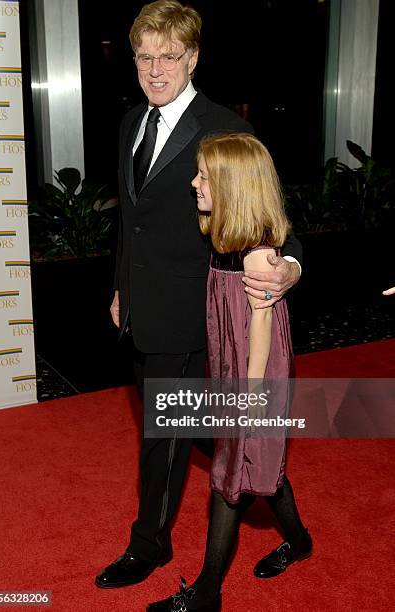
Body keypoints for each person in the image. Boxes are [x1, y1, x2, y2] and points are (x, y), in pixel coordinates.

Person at [95, 0, 303, 590]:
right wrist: (121, 286)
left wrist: (289, 265)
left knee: (166, 438)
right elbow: (130, 221)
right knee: (221, 438)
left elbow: (270, 214)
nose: (155, 68)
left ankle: (148, 546)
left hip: (197, 312)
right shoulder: (132, 121)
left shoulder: (224, 129)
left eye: (169, 56)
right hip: (142, 306)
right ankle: (293, 527)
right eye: (144, 56)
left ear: (193, 58)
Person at [148, 133, 311, 611]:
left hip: (254, 370)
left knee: (230, 474)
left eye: (205, 176)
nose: (194, 182)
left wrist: (252, 392)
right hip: (231, 361)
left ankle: (206, 593)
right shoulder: (225, 233)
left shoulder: (258, 250)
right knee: (259, 463)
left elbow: (260, 326)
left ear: (234, 186)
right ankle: (299, 541)